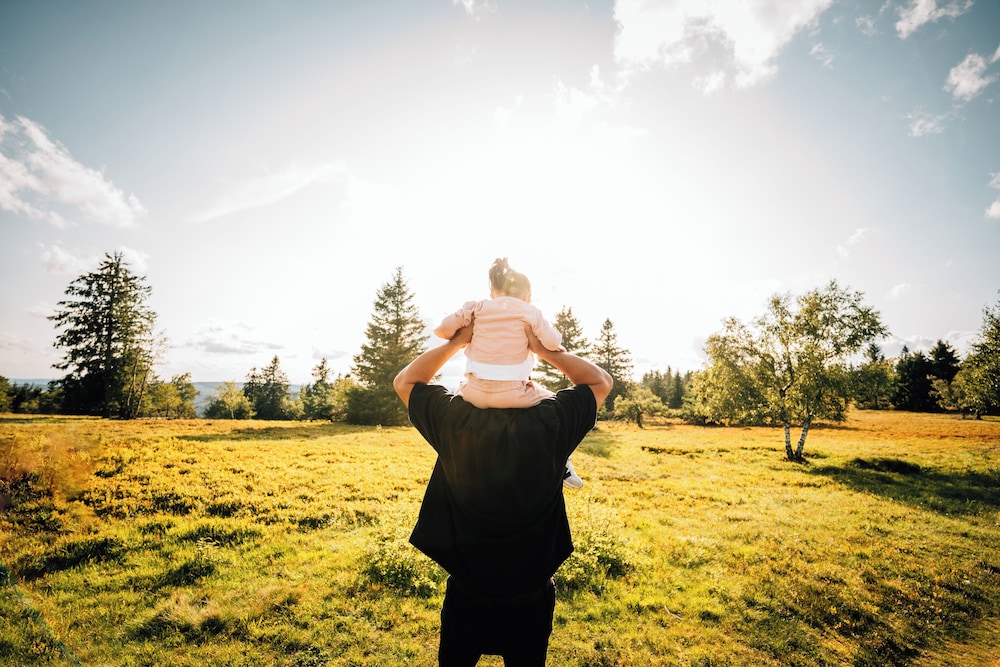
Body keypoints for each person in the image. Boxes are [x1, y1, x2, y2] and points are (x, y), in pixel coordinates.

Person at [394, 321, 612, 666]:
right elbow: (600, 381)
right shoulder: (551, 421)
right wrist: (544, 350)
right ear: (526, 369)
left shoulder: (455, 419)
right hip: (530, 598)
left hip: (467, 594)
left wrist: (457, 341)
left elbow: (405, 381)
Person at [434, 257, 583, 488]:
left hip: (471, 392)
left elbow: (442, 331)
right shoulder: (530, 312)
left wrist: (465, 328)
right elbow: (553, 341)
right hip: (513, 394)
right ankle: (564, 462)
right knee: (555, 406)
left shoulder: (476, 308)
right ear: (526, 295)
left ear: (493, 290)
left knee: (460, 391)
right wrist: (553, 347)